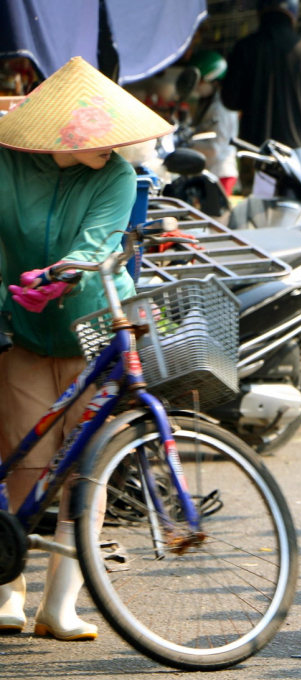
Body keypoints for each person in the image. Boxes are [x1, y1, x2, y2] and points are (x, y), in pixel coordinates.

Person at [0, 57, 172, 640]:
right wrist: (10, 292)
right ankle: (10, 590)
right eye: (100, 134)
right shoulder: (5, 165)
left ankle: (61, 604)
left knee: (88, 468)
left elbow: (95, 244)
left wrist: (61, 274)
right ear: (61, 132)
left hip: (94, 326)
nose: (115, 145)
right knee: (25, 463)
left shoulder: (116, 176)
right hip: (21, 334)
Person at [221, 0, 301, 191]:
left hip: (255, 154)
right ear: (293, 14)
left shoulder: (245, 48)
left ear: (260, 12)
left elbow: (230, 100)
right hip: (298, 157)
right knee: (294, 213)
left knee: (257, 214)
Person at [188, 50, 239, 196]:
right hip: (210, 171)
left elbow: (215, 148)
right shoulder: (208, 102)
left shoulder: (220, 108)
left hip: (220, 174)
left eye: (200, 81)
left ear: (213, 80)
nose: (197, 85)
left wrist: (189, 144)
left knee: (213, 218)